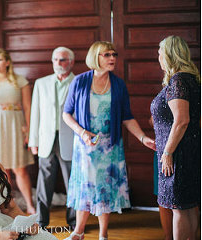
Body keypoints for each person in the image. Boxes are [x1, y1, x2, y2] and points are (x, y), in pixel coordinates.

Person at [62, 41, 156, 240]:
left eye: (114, 54)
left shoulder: (119, 84)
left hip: (110, 146)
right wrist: (82, 132)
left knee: (105, 189)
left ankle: (103, 235)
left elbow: (127, 117)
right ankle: (78, 232)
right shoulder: (79, 82)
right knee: (85, 188)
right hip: (85, 146)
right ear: (95, 57)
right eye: (107, 55)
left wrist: (142, 137)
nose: (112, 58)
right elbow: (66, 114)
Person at [150, 36, 202, 240]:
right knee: (187, 207)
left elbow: (181, 120)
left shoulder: (178, 80)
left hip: (177, 153)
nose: (159, 57)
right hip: (185, 150)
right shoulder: (188, 78)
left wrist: (168, 152)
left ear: (169, 55)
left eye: (160, 53)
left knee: (179, 208)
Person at [29, 46, 77, 228]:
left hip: (71, 140)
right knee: (44, 183)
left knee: (72, 182)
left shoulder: (79, 82)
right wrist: (34, 141)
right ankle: (41, 221)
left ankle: (74, 222)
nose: (58, 63)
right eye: (55, 59)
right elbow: (35, 114)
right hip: (45, 140)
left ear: (71, 62)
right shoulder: (41, 83)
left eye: (63, 59)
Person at [0, 48, 36, 214]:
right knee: (1, 169)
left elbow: (28, 107)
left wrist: (28, 129)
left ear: (7, 62)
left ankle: (29, 204)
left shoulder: (19, 81)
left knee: (20, 168)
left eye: (0, 60)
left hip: (15, 125)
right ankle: (8, 204)